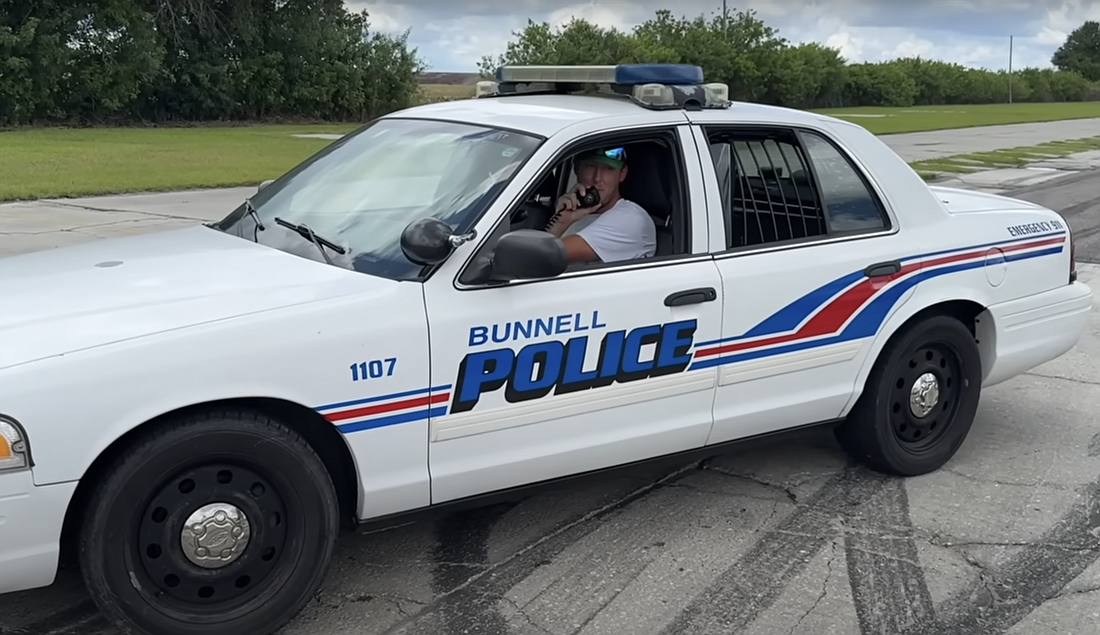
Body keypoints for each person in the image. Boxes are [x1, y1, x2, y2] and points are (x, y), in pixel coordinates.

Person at [545, 147, 657, 264]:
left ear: (622, 174)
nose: (597, 178)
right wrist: (561, 221)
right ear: (576, 169)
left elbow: (543, 254)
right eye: (590, 166)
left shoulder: (631, 218)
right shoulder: (577, 213)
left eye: (608, 169)